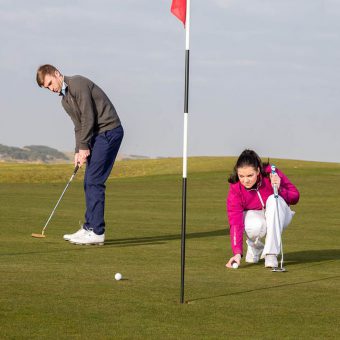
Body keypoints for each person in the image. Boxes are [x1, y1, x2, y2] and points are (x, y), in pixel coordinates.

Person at [36, 64, 124, 245]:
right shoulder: (65, 100)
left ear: (57, 73)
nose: (51, 89)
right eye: (47, 88)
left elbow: (88, 116)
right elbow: (79, 126)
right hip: (97, 135)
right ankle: (89, 228)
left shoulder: (77, 84)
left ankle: (97, 232)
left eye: (50, 83)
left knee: (95, 180)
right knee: (88, 181)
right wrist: (79, 150)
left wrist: (85, 146)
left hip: (109, 131)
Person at [225, 149, 300, 268]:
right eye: (241, 176)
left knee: (273, 199)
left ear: (258, 170)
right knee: (255, 225)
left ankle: (271, 254)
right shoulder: (235, 189)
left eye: (250, 175)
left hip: (281, 214)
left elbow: (295, 197)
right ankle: (255, 246)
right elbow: (235, 222)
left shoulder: (272, 173)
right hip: (256, 217)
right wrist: (237, 253)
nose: (246, 180)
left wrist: (279, 189)